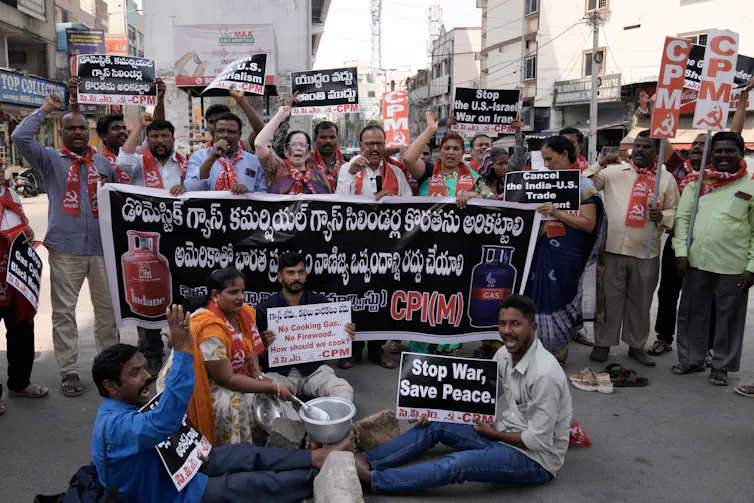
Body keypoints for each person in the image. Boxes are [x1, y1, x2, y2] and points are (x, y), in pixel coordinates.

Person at [92, 305, 353, 503]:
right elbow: (164, 420)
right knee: (250, 485)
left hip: (188, 464)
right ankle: (326, 474)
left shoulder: (130, 404)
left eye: (142, 368)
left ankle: (316, 457)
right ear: (110, 386)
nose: (148, 375)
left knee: (246, 454)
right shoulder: (115, 426)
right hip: (174, 494)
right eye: (135, 374)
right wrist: (183, 353)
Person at [353, 294, 571, 495]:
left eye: (516, 324)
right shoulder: (504, 354)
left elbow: (538, 441)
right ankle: (365, 459)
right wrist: (437, 411)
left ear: (532, 327)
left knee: (457, 463)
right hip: (505, 431)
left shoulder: (544, 374)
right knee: (435, 423)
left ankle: (375, 481)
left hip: (534, 459)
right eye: (503, 323)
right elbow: (482, 397)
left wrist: (493, 434)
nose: (507, 331)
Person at [11, 94, 118, 397]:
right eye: (70, 128)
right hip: (65, 248)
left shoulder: (104, 163)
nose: (77, 133)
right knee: (64, 313)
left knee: (107, 312)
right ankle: (69, 370)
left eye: (82, 128)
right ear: (63, 132)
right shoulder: (48, 159)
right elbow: (19, 135)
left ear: (89, 131)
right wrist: (46, 108)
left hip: (100, 247)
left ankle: (108, 370)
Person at [156, 268, 300, 446]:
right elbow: (227, 379)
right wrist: (272, 388)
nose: (241, 297)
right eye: (233, 292)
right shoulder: (209, 329)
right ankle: (236, 455)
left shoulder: (243, 312)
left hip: (230, 371)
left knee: (269, 392)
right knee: (234, 404)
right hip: (199, 380)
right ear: (215, 294)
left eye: (242, 291)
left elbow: (250, 348)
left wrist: (259, 377)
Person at [403, 111, 497, 357]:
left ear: (463, 152)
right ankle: (421, 349)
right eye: (447, 148)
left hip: (459, 254)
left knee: (452, 299)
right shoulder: (427, 171)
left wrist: (475, 196)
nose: (451, 153)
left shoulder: (474, 178)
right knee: (424, 299)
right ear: (439, 151)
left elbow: (497, 206)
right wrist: (430, 131)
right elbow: (409, 157)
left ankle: (449, 347)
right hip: (424, 252)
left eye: (457, 148)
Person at [583, 130, 680, 366]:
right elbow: (582, 185)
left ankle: (636, 346)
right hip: (612, 249)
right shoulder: (613, 173)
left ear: (657, 152)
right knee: (608, 302)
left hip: (646, 252)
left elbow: (676, 213)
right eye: (637, 145)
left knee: (641, 302)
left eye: (646, 147)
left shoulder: (665, 180)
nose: (639, 150)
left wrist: (662, 215)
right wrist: (598, 163)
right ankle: (603, 343)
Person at [672, 132, 754, 387]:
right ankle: (691, 359)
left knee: (729, 318)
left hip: (733, 265)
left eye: (729, 151)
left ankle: (721, 366)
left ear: (741, 154)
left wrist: (751, 267)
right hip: (696, 262)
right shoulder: (696, 184)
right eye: (718, 151)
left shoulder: (750, 187)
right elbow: (682, 219)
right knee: (691, 312)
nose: (723, 155)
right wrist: (681, 252)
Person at [118, 113, 188, 375]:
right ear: (148, 140)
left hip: (177, 240)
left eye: (164, 136)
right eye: (155, 136)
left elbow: (195, 190)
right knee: (147, 298)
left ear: (173, 139)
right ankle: (152, 353)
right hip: (146, 244)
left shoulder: (184, 164)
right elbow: (122, 162)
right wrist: (139, 126)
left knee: (177, 298)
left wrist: (185, 190)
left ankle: (179, 351)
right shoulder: (137, 163)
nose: (160, 140)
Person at [525, 136, 606, 366]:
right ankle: (535, 351)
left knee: (561, 301)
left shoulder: (583, 185)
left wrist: (558, 213)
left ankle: (557, 355)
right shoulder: (541, 182)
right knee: (535, 301)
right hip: (539, 254)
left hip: (565, 257)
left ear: (565, 154)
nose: (547, 165)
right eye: (544, 160)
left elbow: (588, 224)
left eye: (550, 159)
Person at [257, 251, 354, 402]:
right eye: (290, 273)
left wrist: (345, 335)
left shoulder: (321, 304)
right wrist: (263, 347)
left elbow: (335, 342)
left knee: (343, 388)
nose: (296, 277)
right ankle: (292, 424)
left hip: (314, 370)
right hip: (280, 374)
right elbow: (257, 357)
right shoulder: (265, 309)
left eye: (301, 272)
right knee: (264, 397)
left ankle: (334, 425)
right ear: (280, 276)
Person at [0, 158, 47, 414]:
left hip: (15, 276)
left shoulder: (9, 193)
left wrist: (25, 232)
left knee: (21, 329)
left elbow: (23, 225)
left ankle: (19, 384)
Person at [254, 106, 332, 194]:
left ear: (308, 153)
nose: (298, 148)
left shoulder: (319, 177)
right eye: (293, 144)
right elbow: (259, 144)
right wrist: (280, 115)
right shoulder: (277, 170)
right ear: (286, 151)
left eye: (303, 145)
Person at [185, 113, 268, 194]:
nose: (225, 135)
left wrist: (248, 194)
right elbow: (191, 188)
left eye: (231, 132)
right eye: (221, 131)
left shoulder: (254, 161)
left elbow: (263, 194)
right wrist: (211, 159)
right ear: (214, 134)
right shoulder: (199, 157)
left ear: (239, 135)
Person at [336, 125, 414, 199]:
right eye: (370, 144)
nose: (375, 148)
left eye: (379, 144)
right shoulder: (347, 169)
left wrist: (392, 199)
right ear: (360, 145)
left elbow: (407, 203)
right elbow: (339, 202)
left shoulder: (397, 172)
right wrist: (351, 174)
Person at [204, 85, 266, 152]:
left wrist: (241, 100)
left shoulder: (242, 146)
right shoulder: (202, 154)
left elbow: (260, 130)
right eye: (211, 122)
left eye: (221, 122)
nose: (215, 126)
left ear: (239, 134)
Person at [310, 121, 350, 190]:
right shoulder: (305, 165)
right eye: (323, 137)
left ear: (337, 139)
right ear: (315, 140)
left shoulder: (348, 167)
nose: (328, 141)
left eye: (332, 137)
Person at [95, 114, 131, 184]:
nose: (122, 131)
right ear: (103, 136)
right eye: (116, 128)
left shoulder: (135, 156)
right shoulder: (98, 164)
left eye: (124, 128)